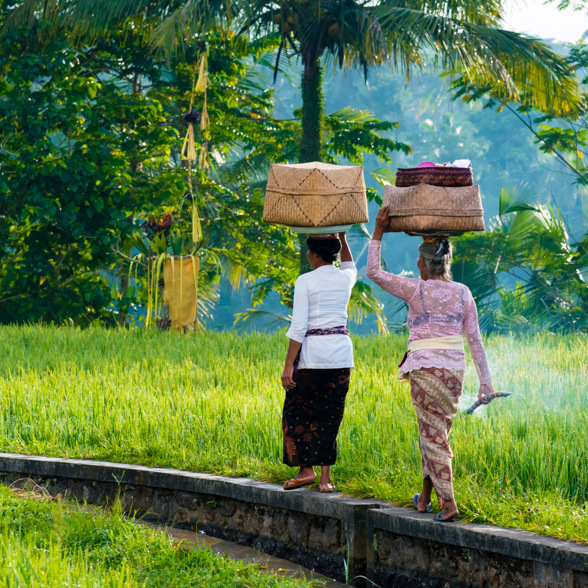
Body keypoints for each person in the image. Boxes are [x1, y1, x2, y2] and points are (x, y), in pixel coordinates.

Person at [366, 205, 495, 522]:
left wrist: (379, 231)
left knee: (432, 436)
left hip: (425, 371)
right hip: (454, 373)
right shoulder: (463, 292)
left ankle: (448, 503)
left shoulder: (416, 288)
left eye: (418, 260)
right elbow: (475, 340)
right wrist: (486, 382)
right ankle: (424, 498)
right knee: (435, 432)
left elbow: (373, 272)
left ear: (422, 263)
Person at [281, 232, 356, 493]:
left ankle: (306, 470)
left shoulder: (306, 280)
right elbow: (350, 266)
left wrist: (289, 364)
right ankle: (325, 480)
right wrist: (344, 237)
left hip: (314, 356)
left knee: (297, 412)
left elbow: (299, 325)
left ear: (312, 254)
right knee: (330, 415)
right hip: (341, 355)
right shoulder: (345, 279)